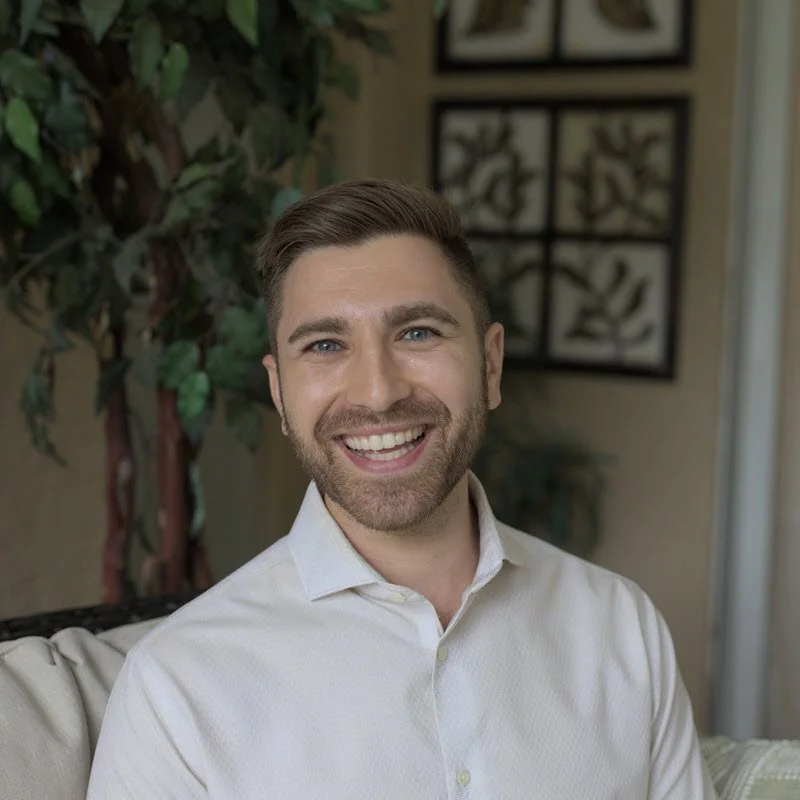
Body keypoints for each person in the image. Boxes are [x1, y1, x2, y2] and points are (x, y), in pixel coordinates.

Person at [87, 178, 718, 798]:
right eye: (327, 344)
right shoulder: (177, 686)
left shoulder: (620, 627)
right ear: (279, 393)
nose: (378, 391)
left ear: (490, 365)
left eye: (417, 332)